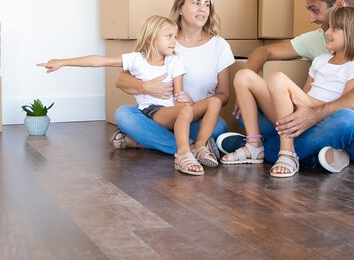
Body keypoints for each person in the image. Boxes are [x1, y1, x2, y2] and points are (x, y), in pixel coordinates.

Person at [223, 0, 354, 173]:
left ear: (339, 4)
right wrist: (245, 93)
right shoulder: (321, 38)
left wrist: (314, 114)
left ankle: (277, 148)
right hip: (314, 117)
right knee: (245, 114)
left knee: (343, 120)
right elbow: (264, 51)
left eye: (315, 10)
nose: (311, 19)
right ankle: (309, 151)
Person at [37, 15, 222, 176]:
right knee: (180, 112)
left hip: (176, 111)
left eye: (174, 36)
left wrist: (185, 99)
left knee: (213, 102)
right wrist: (62, 62)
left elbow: (179, 95)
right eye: (168, 37)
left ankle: (198, 146)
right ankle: (184, 153)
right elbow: (99, 61)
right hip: (155, 112)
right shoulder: (137, 59)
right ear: (150, 39)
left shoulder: (174, 61)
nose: (174, 41)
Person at [221, 7, 354, 178]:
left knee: (277, 79)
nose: (328, 32)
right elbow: (302, 94)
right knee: (243, 76)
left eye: (336, 28)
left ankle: (288, 153)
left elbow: (343, 109)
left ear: (353, 34)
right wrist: (298, 106)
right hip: (302, 114)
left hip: (322, 119)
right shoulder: (320, 60)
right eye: (330, 27)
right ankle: (254, 145)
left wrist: (310, 108)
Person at [113, 0, 235, 163]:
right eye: (196, 3)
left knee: (219, 126)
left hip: (193, 118)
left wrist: (198, 104)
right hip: (159, 117)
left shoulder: (220, 46)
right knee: (124, 114)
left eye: (207, 4)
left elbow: (224, 95)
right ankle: (191, 149)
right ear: (180, 7)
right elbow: (121, 79)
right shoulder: (165, 39)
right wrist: (145, 86)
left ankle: (143, 141)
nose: (203, 9)